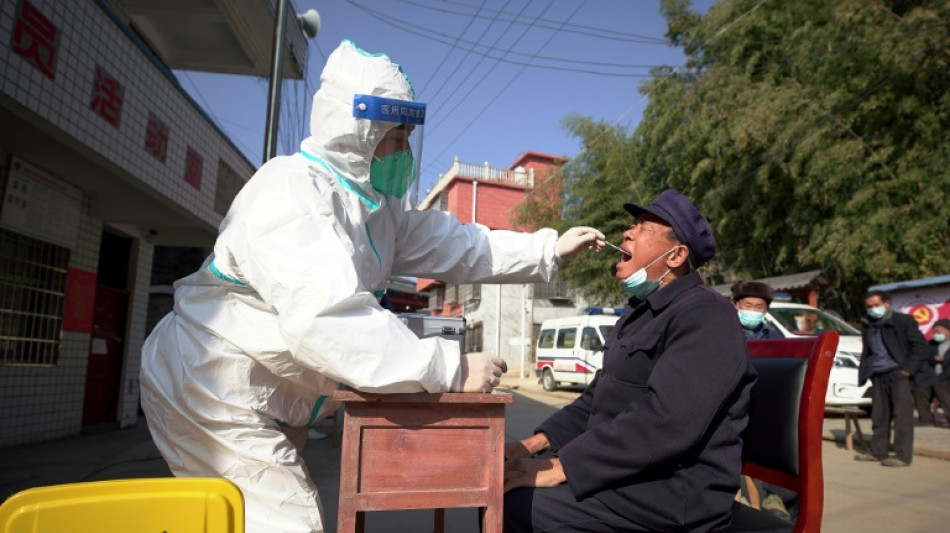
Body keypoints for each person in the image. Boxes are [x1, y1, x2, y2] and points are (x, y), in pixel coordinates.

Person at [139, 39, 605, 533]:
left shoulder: (377, 210)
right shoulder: (291, 191)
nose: (404, 150)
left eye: (407, 136)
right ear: (357, 132)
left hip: (265, 392)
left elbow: (462, 244)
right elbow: (329, 318)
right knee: (287, 522)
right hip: (209, 384)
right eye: (395, 136)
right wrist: (448, 366)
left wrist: (548, 250)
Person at [503, 189, 757, 533]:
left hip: (671, 495)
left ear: (676, 255)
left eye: (643, 227)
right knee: (501, 486)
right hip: (627, 476)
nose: (628, 232)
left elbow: (667, 421)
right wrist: (531, 445)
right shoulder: (639, 314)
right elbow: (596, 400)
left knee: (515, 505)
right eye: (631, 225)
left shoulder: (706, 314)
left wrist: (565, 467)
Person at [855, 290, 934, 466]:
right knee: (879, 416)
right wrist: (867, 372)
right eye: (869, 306)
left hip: (898, 374)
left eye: (876, 305)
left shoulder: (902, 321)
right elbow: (868, 351)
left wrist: (907, 369)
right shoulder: (868, 324)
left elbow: (920, 347)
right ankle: (878, 451)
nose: (873, 309)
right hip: (878, 375)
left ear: (887, 304)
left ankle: (902, 455)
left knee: (902, 417)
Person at [914, 318, 950, 427]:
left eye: (939, 331)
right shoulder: (931, 344)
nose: (936, 333)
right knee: (920, 387)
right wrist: (935, 358)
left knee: (941, 386)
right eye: (935, 331)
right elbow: (926, 357)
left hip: (947, 376)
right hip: (934, 376)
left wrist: (946, 359)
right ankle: (925, 418)